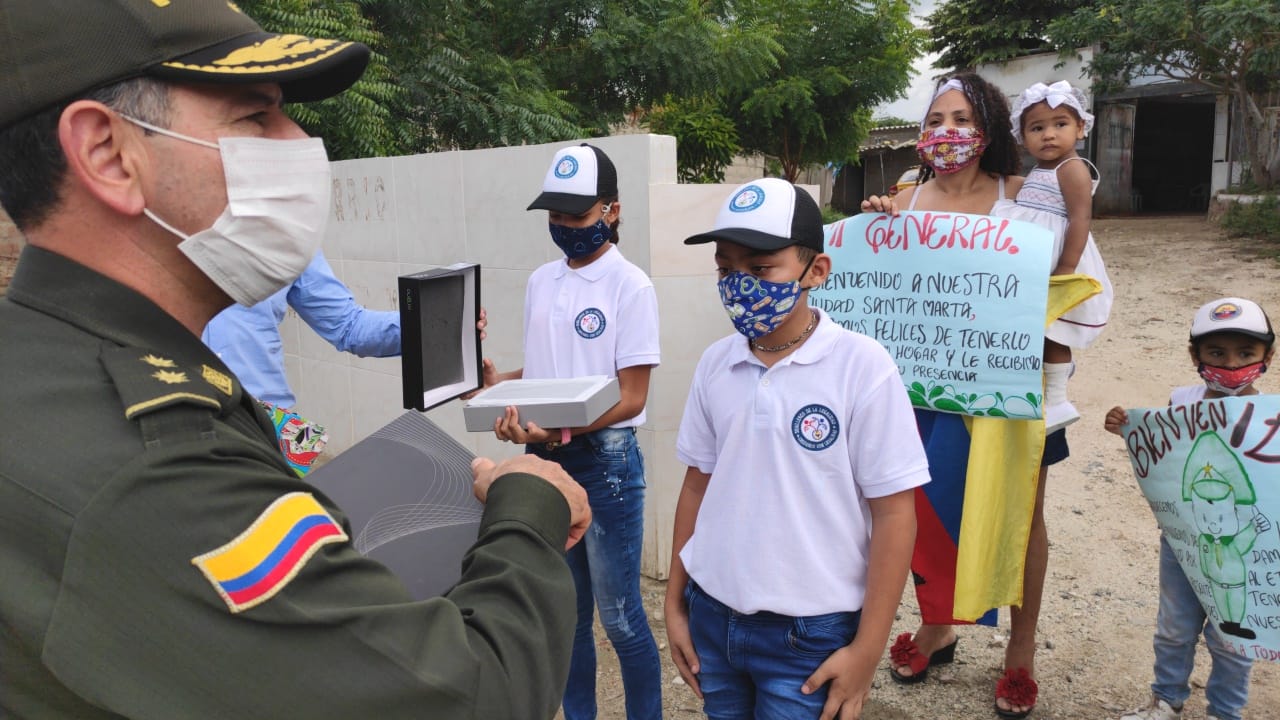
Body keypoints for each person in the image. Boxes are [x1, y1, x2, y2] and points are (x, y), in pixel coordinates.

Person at [0, 1, 590, 717]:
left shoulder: (40, 356)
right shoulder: (162, 465)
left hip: (278, 422)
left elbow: (345, 325)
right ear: (106, 152)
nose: (302, 143)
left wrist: (439, 331)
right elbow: (465, 697)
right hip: (266, 440)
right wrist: (529, 506)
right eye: (256, 117)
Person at [665, 177, 930, 719]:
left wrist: (867, 650)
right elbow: (697, 484)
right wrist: (675, 602)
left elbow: (895, 513)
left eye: (760, 269)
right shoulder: (717, 363)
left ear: (816, 271)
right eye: (725, 268)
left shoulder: (863, 368)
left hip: (810, 637)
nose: (739, 284)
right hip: (713, 618)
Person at [862, 72, 1068, 719]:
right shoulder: (905, 200)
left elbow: (1069, 284)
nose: (945, 132)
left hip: (1008, 391)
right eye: (934, 119)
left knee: (1020, 516)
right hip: (923, 392)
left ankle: (1021, 652)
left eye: (960, 118)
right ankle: (939, 625)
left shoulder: (1026, 196)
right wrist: (876, 234)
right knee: (925, 507)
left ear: (987, 129)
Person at [482, 143, 663, 720]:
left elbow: (631, 395)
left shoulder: (630, 286)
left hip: (605, 463)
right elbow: (542, 375)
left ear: (610, 210)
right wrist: (494, 384)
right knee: (567, 615)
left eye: (577, 214)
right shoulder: (541, 281)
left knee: (621, 616)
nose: (563, 226)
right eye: (555, 214)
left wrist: (556, 426)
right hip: (547, 461)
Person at [1104, 297, 1273, 720]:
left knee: (1232, 636)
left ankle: (1225, 712)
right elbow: (1163, 451)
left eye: (1246, 353)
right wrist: (1124, 423)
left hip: (1242, 550)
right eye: (1216, 352)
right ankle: (1166, 699)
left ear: (1267, 356)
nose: (1231, 364)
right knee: (1174, 627)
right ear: (1194, 355)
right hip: (1183, 545)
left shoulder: (1269, 419)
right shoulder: (1182, 401)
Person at [203, 249, 400, 474]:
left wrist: (433, 320)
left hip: (267, 426)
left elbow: (350, 326)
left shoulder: (286, 235)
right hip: (172, 422)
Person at [998, 80, 1114, 433]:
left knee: (1053, 331)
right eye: (1037, 128)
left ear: (1080, 128)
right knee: (1037, 328)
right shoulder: (1042, 170)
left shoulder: (1072, 168)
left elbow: (1080, 218)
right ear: (1022, 136)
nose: (1048, 135)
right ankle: (1051, 380)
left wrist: (1065, 268)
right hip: (1035, 258)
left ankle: (1059, 400)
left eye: (1059, 124)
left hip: (1056, 261)